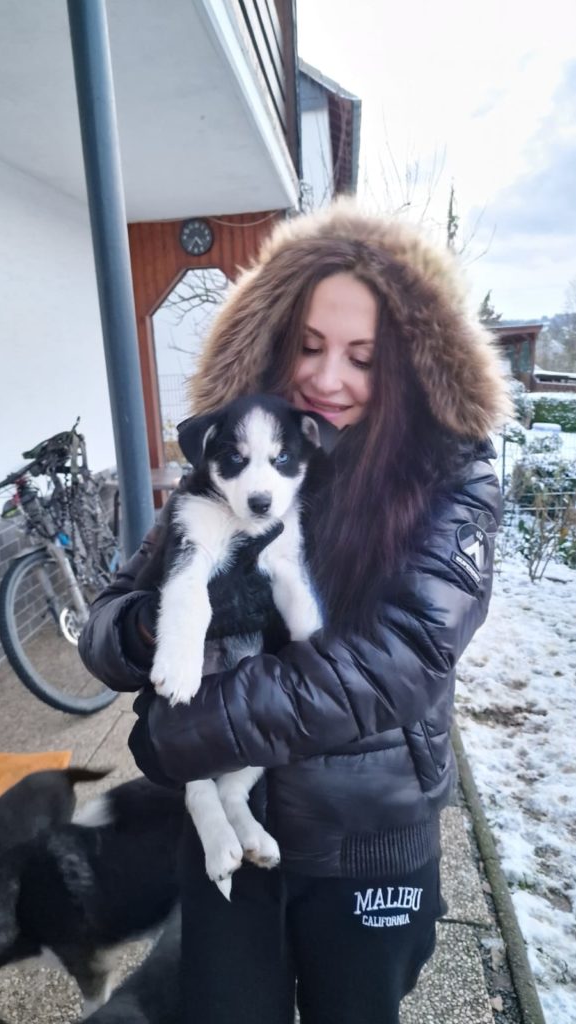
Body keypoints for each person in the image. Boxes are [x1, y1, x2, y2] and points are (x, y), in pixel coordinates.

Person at [79, 199, 510, 1024]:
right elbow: (109, 621)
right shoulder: (229, 462)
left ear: (412, 362)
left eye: (363, 356)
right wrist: (147, 629)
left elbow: (395, 662)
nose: (326, 377)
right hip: (230, 844)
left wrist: (182, 729)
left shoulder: (449, 481)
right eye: (308, 346)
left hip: (363, 842)